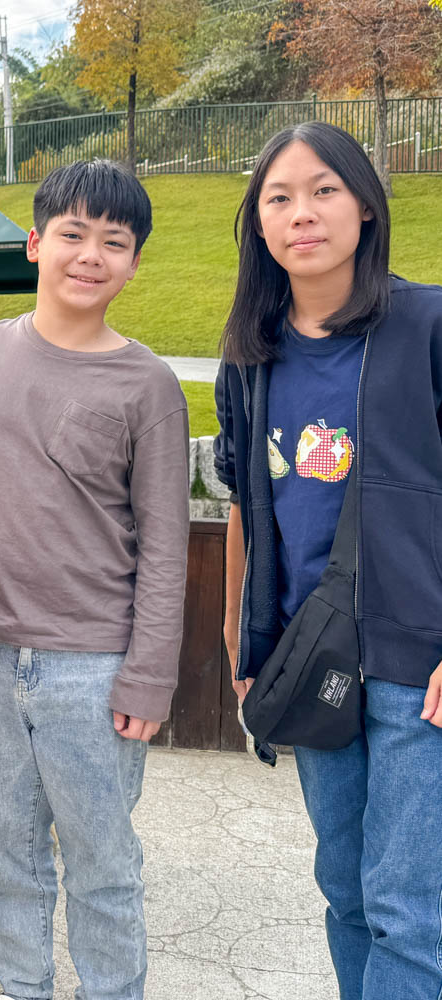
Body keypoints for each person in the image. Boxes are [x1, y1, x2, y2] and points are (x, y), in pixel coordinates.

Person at [0, 159, 190, 1000]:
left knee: (103, 865)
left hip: (95, 668)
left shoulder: (148, 386)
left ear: (134, 262)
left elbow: (167, 543)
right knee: (11, 856)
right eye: (72, 234)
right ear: (35, 243)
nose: (90, 254)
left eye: (114, 242)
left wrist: (149, 674)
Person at [213, 121, 442, 1000]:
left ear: (365, 208)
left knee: (408, 910)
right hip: (305, 660)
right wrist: (242, 648)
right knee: (344, 894)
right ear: (259, 226)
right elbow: (242, 507)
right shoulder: (250, 358)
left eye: (322, 190)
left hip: (415, 667)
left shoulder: (424, 324)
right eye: (278, 197)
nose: (301, 213)